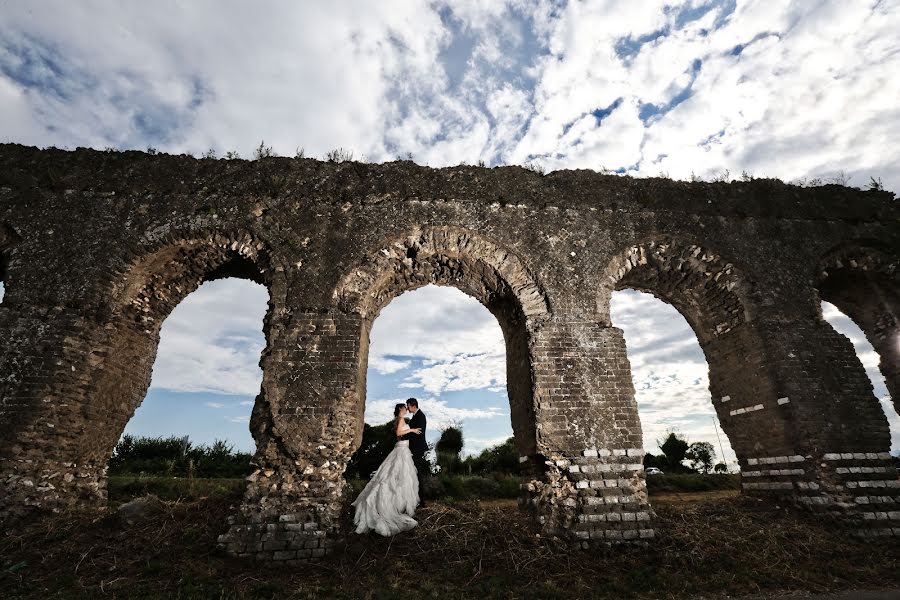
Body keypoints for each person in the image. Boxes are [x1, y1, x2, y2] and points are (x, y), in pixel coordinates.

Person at [351, 402, 422, 535]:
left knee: (399, 478)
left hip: (403, 449)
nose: (406, 409)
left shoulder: (400, 419)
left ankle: (397, 505)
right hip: (401, 450)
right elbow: (399, 432)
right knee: (396, 477)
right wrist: (412, 430)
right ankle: (390, 508)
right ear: (400, 409)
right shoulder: (401, 419)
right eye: (404, 407)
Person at [402, 397, 428, 506]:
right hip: (413, 448)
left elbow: (418, 433)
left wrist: (404, 435)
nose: (407, 408)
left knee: (417, 474)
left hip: (417, 448)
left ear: (413, 405)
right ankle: (415, 499)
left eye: (408, 406)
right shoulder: (415, 416)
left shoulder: (420, 416)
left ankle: (421, 501)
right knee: (413, 474)